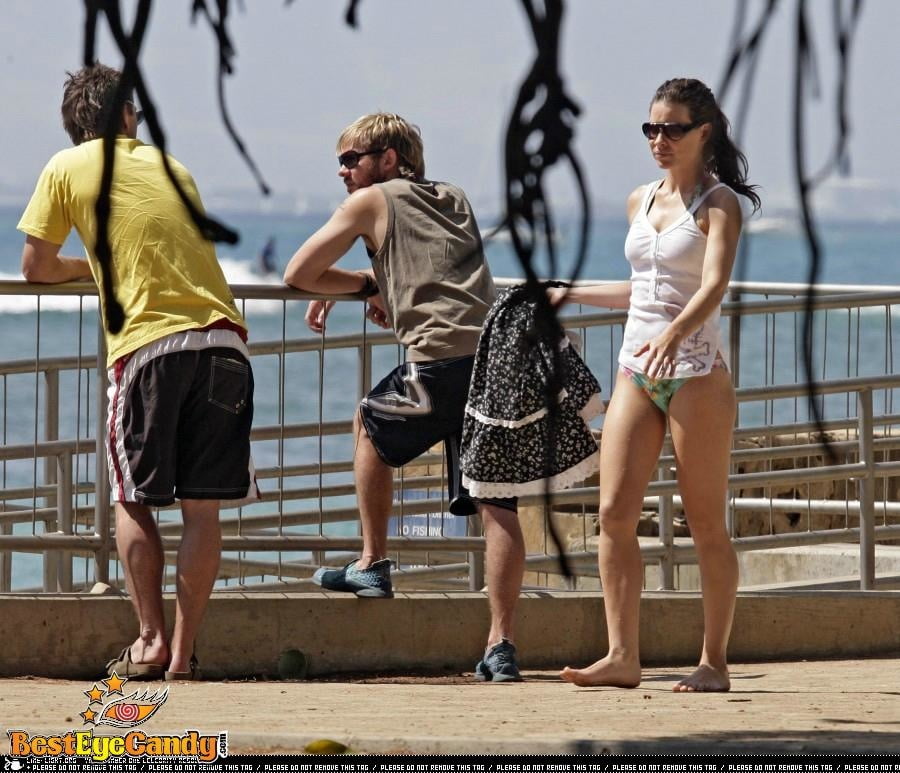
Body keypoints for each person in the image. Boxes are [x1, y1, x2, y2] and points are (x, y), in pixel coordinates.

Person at [18, 64, 256, 681]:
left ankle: (149, 640)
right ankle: (182, 654)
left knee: (133, 497)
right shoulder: (173, 169)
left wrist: (90, 267)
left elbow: (36, 266)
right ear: (125, 114)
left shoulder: (65, 168)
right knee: (202, 512)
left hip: (150, 347)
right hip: (226, 344)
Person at [283, 113, 526, 682]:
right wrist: (379, 285)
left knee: (369, 423)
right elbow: (432, 268)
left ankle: (372, 562)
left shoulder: (371, 202)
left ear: (389, 159)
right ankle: (501, 645)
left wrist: (360, 286)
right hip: (492, 364)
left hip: (437, 364)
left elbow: (299, 271)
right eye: (340, 161)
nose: (344, 172)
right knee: (497, 507)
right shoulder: (453, 197)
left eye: (353, 159)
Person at [553, 78, 760, 692]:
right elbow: (641, 289)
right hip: (636, 373)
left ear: (704, 132)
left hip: (697, 377)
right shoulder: (639, 200)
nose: (659, 140)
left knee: (705, 526)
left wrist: (675, 335)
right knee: (614, 516)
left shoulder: (719, 204)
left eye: (672, 129)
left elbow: (713, 284)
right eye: (651, 128)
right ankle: (622, 656)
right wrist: (566, 293)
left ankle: (714, 662)